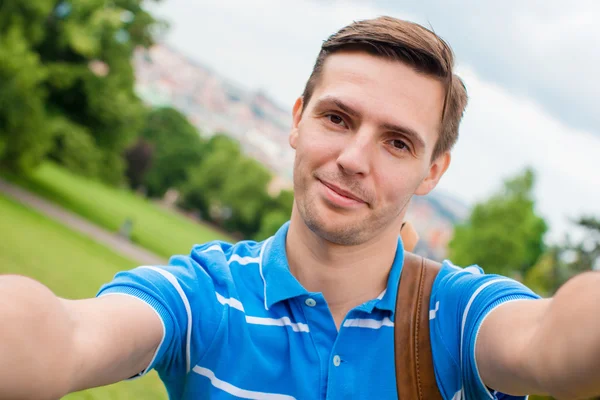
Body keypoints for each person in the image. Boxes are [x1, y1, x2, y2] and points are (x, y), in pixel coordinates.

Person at [1, 16, 599, 400]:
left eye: (397, 142)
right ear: (297, 119)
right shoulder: (206, 296)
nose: (353, 158)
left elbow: (552, 340)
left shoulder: (458, 316)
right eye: (337, 118)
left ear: (432, 171)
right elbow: (68, 334)